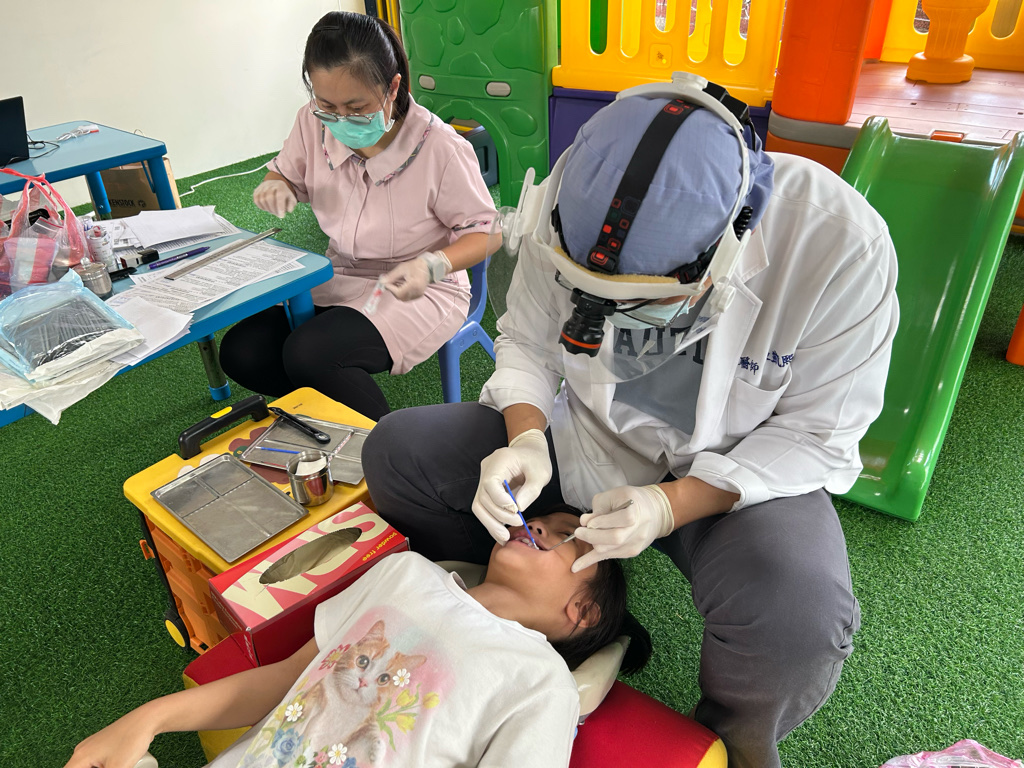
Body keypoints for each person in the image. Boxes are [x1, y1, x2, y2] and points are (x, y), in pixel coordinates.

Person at [362, 73, 899, 768]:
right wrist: (526, 437)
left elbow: (815, 437)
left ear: (725, 253)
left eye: (634, 305)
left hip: (733, 475)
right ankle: (509, 612)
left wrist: (670, 504)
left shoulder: (840, 243)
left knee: (798, 617)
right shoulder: (582, 189)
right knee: (400, 450)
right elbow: (529, 341)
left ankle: (725, 746)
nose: (603, 324)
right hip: (582, 438)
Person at [64, 508, 651, 768]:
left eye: (568, 537)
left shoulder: (541, 681)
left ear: (583, 611)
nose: (539, 524)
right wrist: (146, 719)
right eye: (543, 519)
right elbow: (285, 681)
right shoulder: (405, 572)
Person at [219, 12, 497, 421]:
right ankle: (327, 421)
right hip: (336, 273)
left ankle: (383, 448)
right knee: (243, 352)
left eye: (356, 107)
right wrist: (277, 183)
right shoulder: (312, 122)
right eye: (327, 105)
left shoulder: (441, 148)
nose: (340, 120)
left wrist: (433, 264)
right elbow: (285, 173)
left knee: (311, 355)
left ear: (393, 87)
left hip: (419, 285)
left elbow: (487, 233)